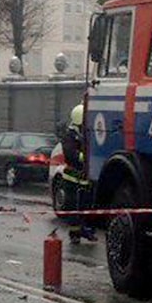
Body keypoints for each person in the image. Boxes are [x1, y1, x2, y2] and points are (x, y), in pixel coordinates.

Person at [61, 104, 96, 244]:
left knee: (85, 206)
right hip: (71, 178)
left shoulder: (84, 134)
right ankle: (75, 234)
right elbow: (70, 155)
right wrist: (86, 157)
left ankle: (85, 230)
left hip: (83, 178)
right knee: (72, 207)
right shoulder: (70, 136)